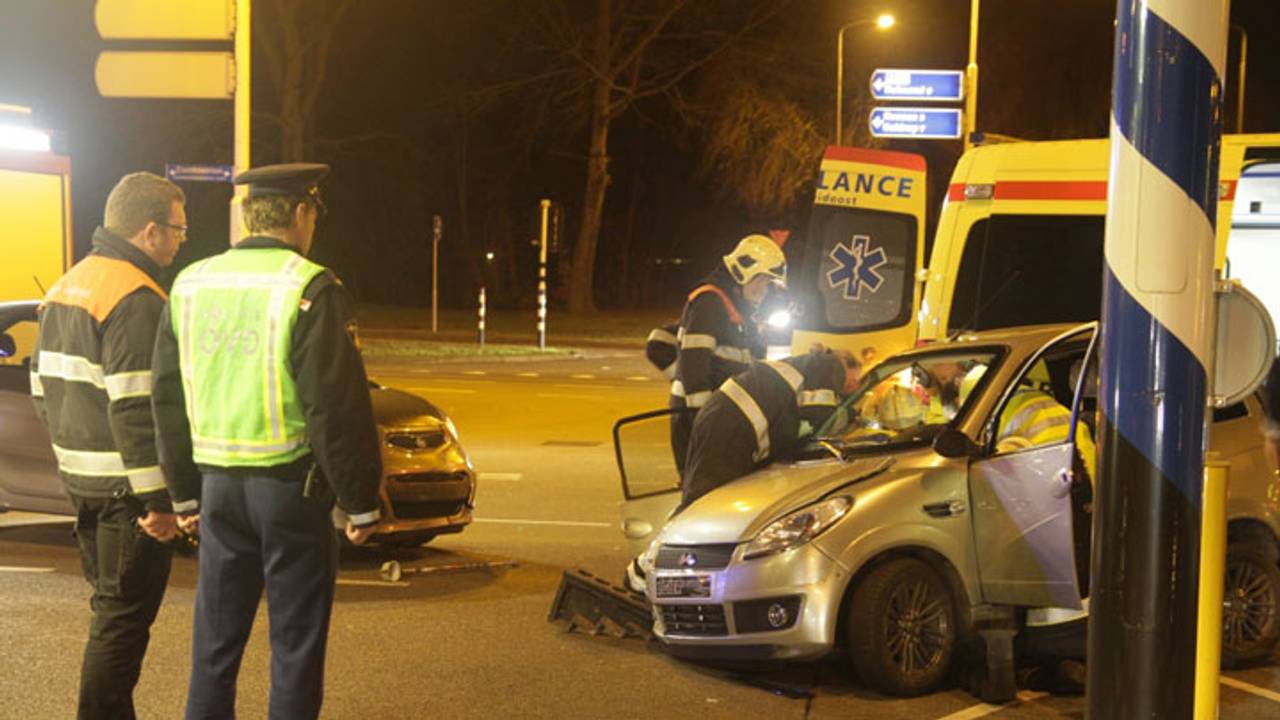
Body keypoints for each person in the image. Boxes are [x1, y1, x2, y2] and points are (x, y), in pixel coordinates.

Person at [151, 163, 383, 719]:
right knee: (295, 648)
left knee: (214, 645)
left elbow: (165, 395)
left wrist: (183, 496)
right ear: (301, 214)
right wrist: (361, 502)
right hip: (290, 492)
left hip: (217, 492)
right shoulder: (309, 287)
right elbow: (334, 404)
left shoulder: (190, 284)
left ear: (248, 215)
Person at [30, 171, 185, 719]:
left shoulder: (68, 284)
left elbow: (38, 385)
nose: (181, 239)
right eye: (177, 229)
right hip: (126, 495)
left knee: (110, 613)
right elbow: (138, 409)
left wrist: (75, 448)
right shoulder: (136, 298)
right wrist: (158, 503)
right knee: (120, 625)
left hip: (83, 483)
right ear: (148, 231)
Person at [679, 350, 857, 511]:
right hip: (735, 424)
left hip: (722, 415)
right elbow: (821, 415)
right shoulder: (830, 366)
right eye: (854, 380)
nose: (852, 387)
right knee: (706, 502)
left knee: (705, 491)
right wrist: (852, 414)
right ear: (845, 365)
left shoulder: (807, 365)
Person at [669, 234, 782, 476]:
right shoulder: (710, 303)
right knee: (701, 497)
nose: (764, 289)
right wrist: (705, 423)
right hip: (698, 421)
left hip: (716, 418)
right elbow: (693, 369)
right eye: (761, 280)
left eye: (768, 282)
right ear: (743, 271)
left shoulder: (737, 309)